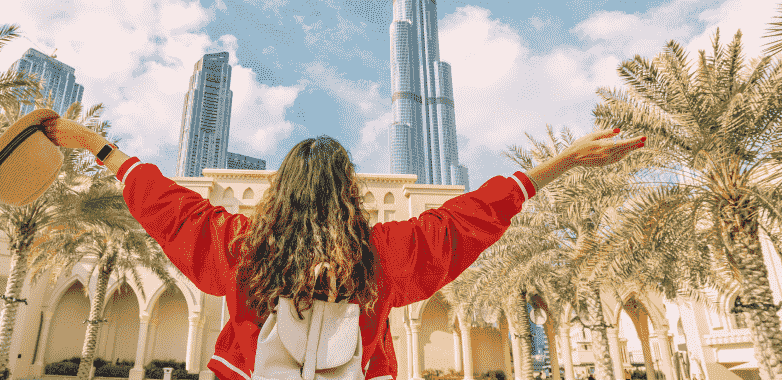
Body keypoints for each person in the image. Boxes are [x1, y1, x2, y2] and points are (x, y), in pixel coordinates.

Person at [47, 118, 644, 380]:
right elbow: (471, 217)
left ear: (280, 190)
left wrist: (99, 147)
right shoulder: (384, 253)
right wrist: (563, 161)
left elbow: (167, 205)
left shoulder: (242, 249)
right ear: (350, 192)